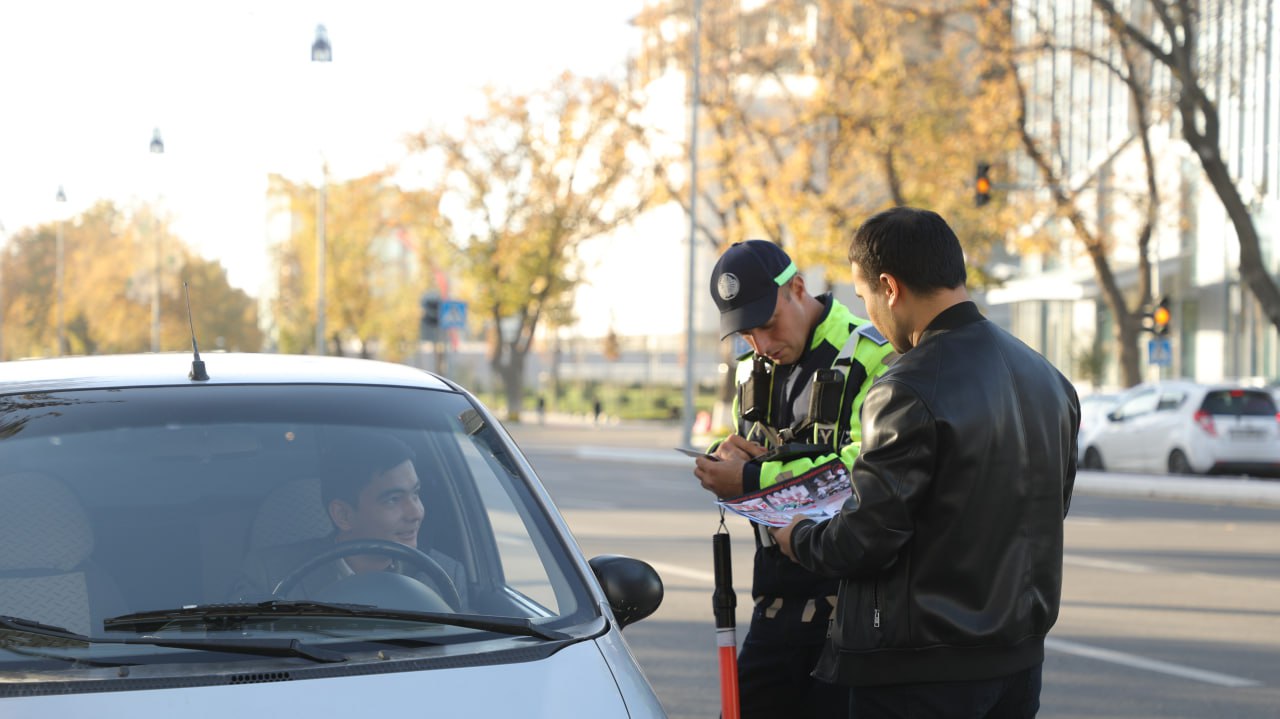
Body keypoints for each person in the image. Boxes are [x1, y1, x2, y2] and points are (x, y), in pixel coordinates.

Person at [773, 207, 1080, 718]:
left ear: (889, 287)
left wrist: (799, 534)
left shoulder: (905, 387)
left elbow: (866, 537)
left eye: (864, 295)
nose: (867, 311)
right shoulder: (1048, 379)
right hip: (1019, 662)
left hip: (919, 672)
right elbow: (1051, 507)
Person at [693, 239, 896, 718]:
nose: (760, 344)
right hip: (774, 609)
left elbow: (859, 471)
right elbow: (749, 465)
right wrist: (723, 458)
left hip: (849, 616)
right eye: (746, 334)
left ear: (798, 288)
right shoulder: (751, 370)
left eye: (766, 324)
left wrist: (749, 477)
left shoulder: (872, 356)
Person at [232, 431, 465, 607]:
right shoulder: (269, 576)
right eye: (393, 499)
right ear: (343, 515)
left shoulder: (444, 577)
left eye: (415, 494)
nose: (416, 512)